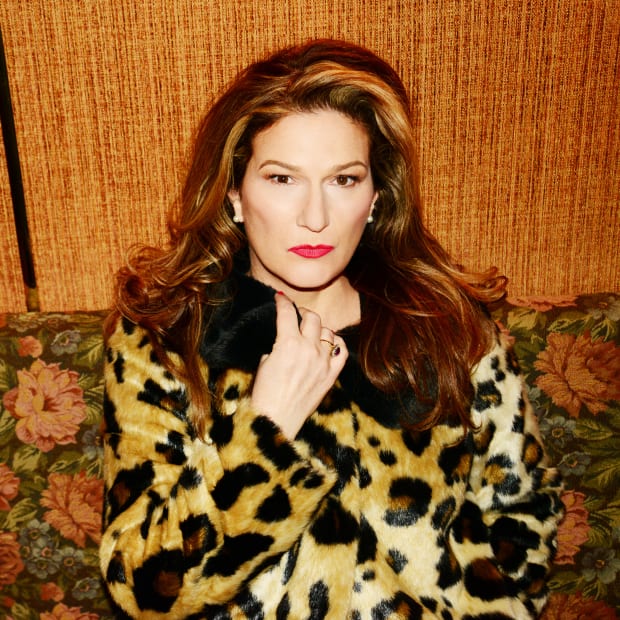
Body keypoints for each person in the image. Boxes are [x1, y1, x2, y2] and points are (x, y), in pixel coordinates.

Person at [99, 39, 563, 619]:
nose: (315, 217)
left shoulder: (450, 328)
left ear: (375, 197)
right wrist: (265, 429)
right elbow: (141, 586)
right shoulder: (166, 339)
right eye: (282, 179)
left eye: (343, 180)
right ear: (235, 192)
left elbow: (523, 508)